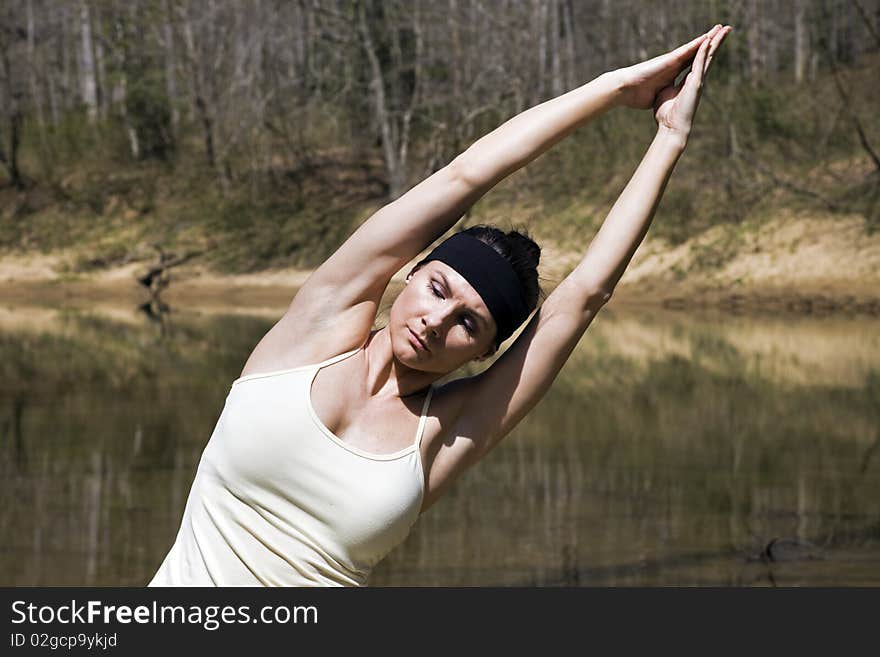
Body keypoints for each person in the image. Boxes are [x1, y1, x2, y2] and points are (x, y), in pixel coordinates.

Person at [149, 24, 732, 586]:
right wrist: (612, 89)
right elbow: (464, 176)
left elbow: (583, 297)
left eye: (468, 324)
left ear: (482, 353)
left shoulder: (446, 432)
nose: (437, 320)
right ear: (410, 271)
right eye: (438, 289)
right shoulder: (317, 328)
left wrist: (670, 138)